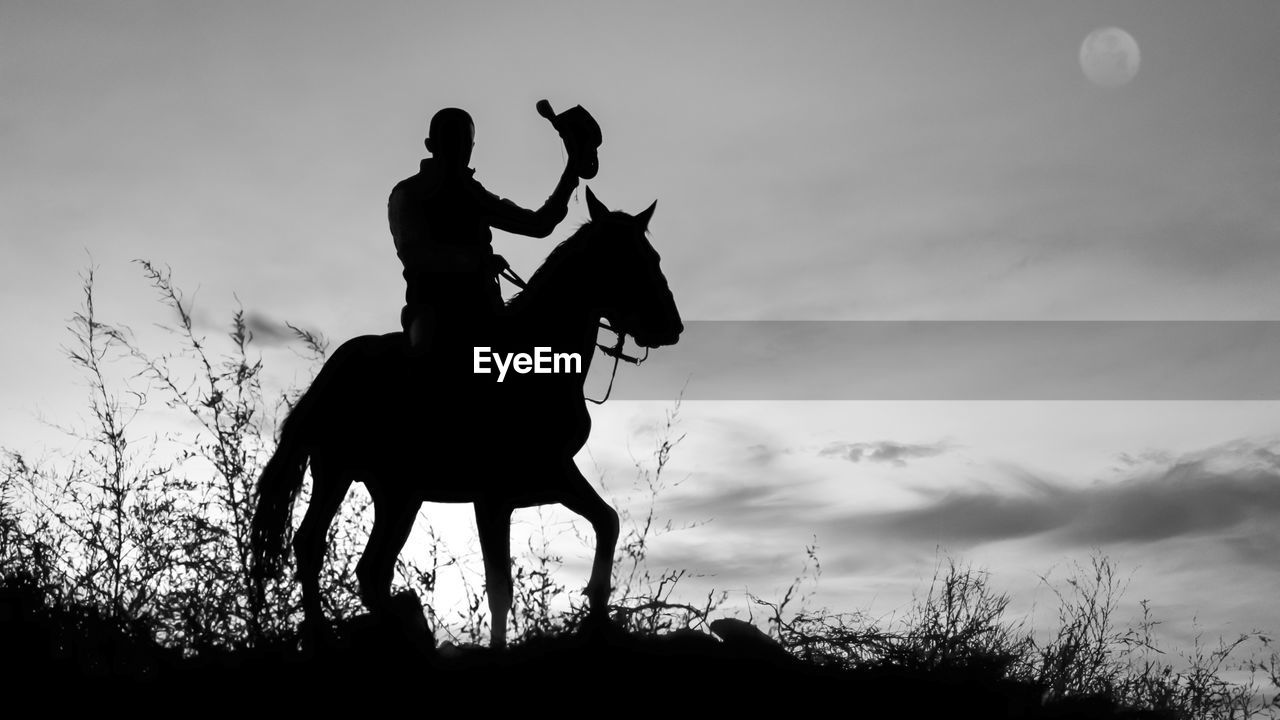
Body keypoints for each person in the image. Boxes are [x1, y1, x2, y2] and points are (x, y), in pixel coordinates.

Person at [388, 106, 586, 356]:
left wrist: (571, 173)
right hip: (433, 313)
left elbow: (538, 224)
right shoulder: (408, 193)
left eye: (465, 144)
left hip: (485, 311)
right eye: (453, 142)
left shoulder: (474, 194)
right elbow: (415, 254)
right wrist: (478, 262)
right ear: (431, 145)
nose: (461, 151)